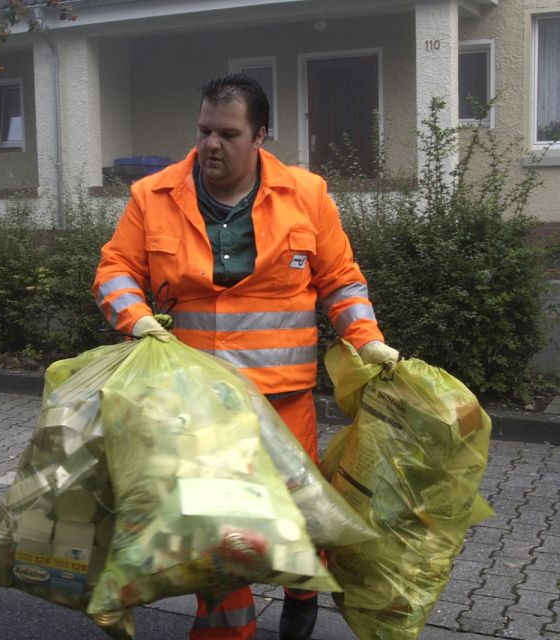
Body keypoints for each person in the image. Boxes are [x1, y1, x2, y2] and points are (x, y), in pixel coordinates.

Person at [93, 74, 398, 640]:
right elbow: (115, 271)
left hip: (284, 401)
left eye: (227, 133)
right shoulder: (153, 195)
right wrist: (136, 321)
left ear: (260, 135)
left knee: (297, 517)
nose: (212, 144)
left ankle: (302, 595)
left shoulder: (306, 195)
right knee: (221, 533)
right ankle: (226, 633)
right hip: (199, 409)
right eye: (204, 130)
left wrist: (366, 337)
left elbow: (340, 281)